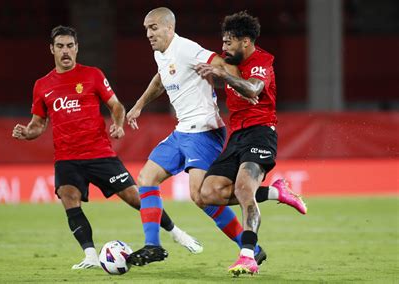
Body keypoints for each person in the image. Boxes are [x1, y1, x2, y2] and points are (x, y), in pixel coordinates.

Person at [126, 8, 306, 267]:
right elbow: (161, 78)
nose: (148, 33)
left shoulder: (187, 48)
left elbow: (220, 64)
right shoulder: (160, 54)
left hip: (204, 131)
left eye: (153, 27)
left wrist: (240, 84)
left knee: (203, 197)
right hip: (183, 131)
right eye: (146, 28)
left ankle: (252, 247)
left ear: (169, 27)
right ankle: (153, 246)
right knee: (146, 178)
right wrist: (140, 104)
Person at [11, 25, 202, 270]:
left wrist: (119, 124)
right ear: (52, 50)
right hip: (67, 157)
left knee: (136, 197)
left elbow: (116, 106)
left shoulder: (92, 75)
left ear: (77, 48)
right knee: (69, 198)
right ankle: (90, 255)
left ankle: (176, 232)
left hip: (99, 153)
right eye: (60, 46)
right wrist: (28, 133)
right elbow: (38, 124)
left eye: (70, 46)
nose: (66, 51)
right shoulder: (42, 85)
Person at [195, 11, 298, 276]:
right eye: (223, 41)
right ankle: (275, 193)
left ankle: (248, 255)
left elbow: (253, 89)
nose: (224, 47)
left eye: (229, 42)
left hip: (261, 133)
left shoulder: (261, 61)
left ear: (245, 41)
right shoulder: (230, 63)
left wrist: (223, 75)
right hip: (236, 136)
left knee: (243, 188)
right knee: (207, 194)